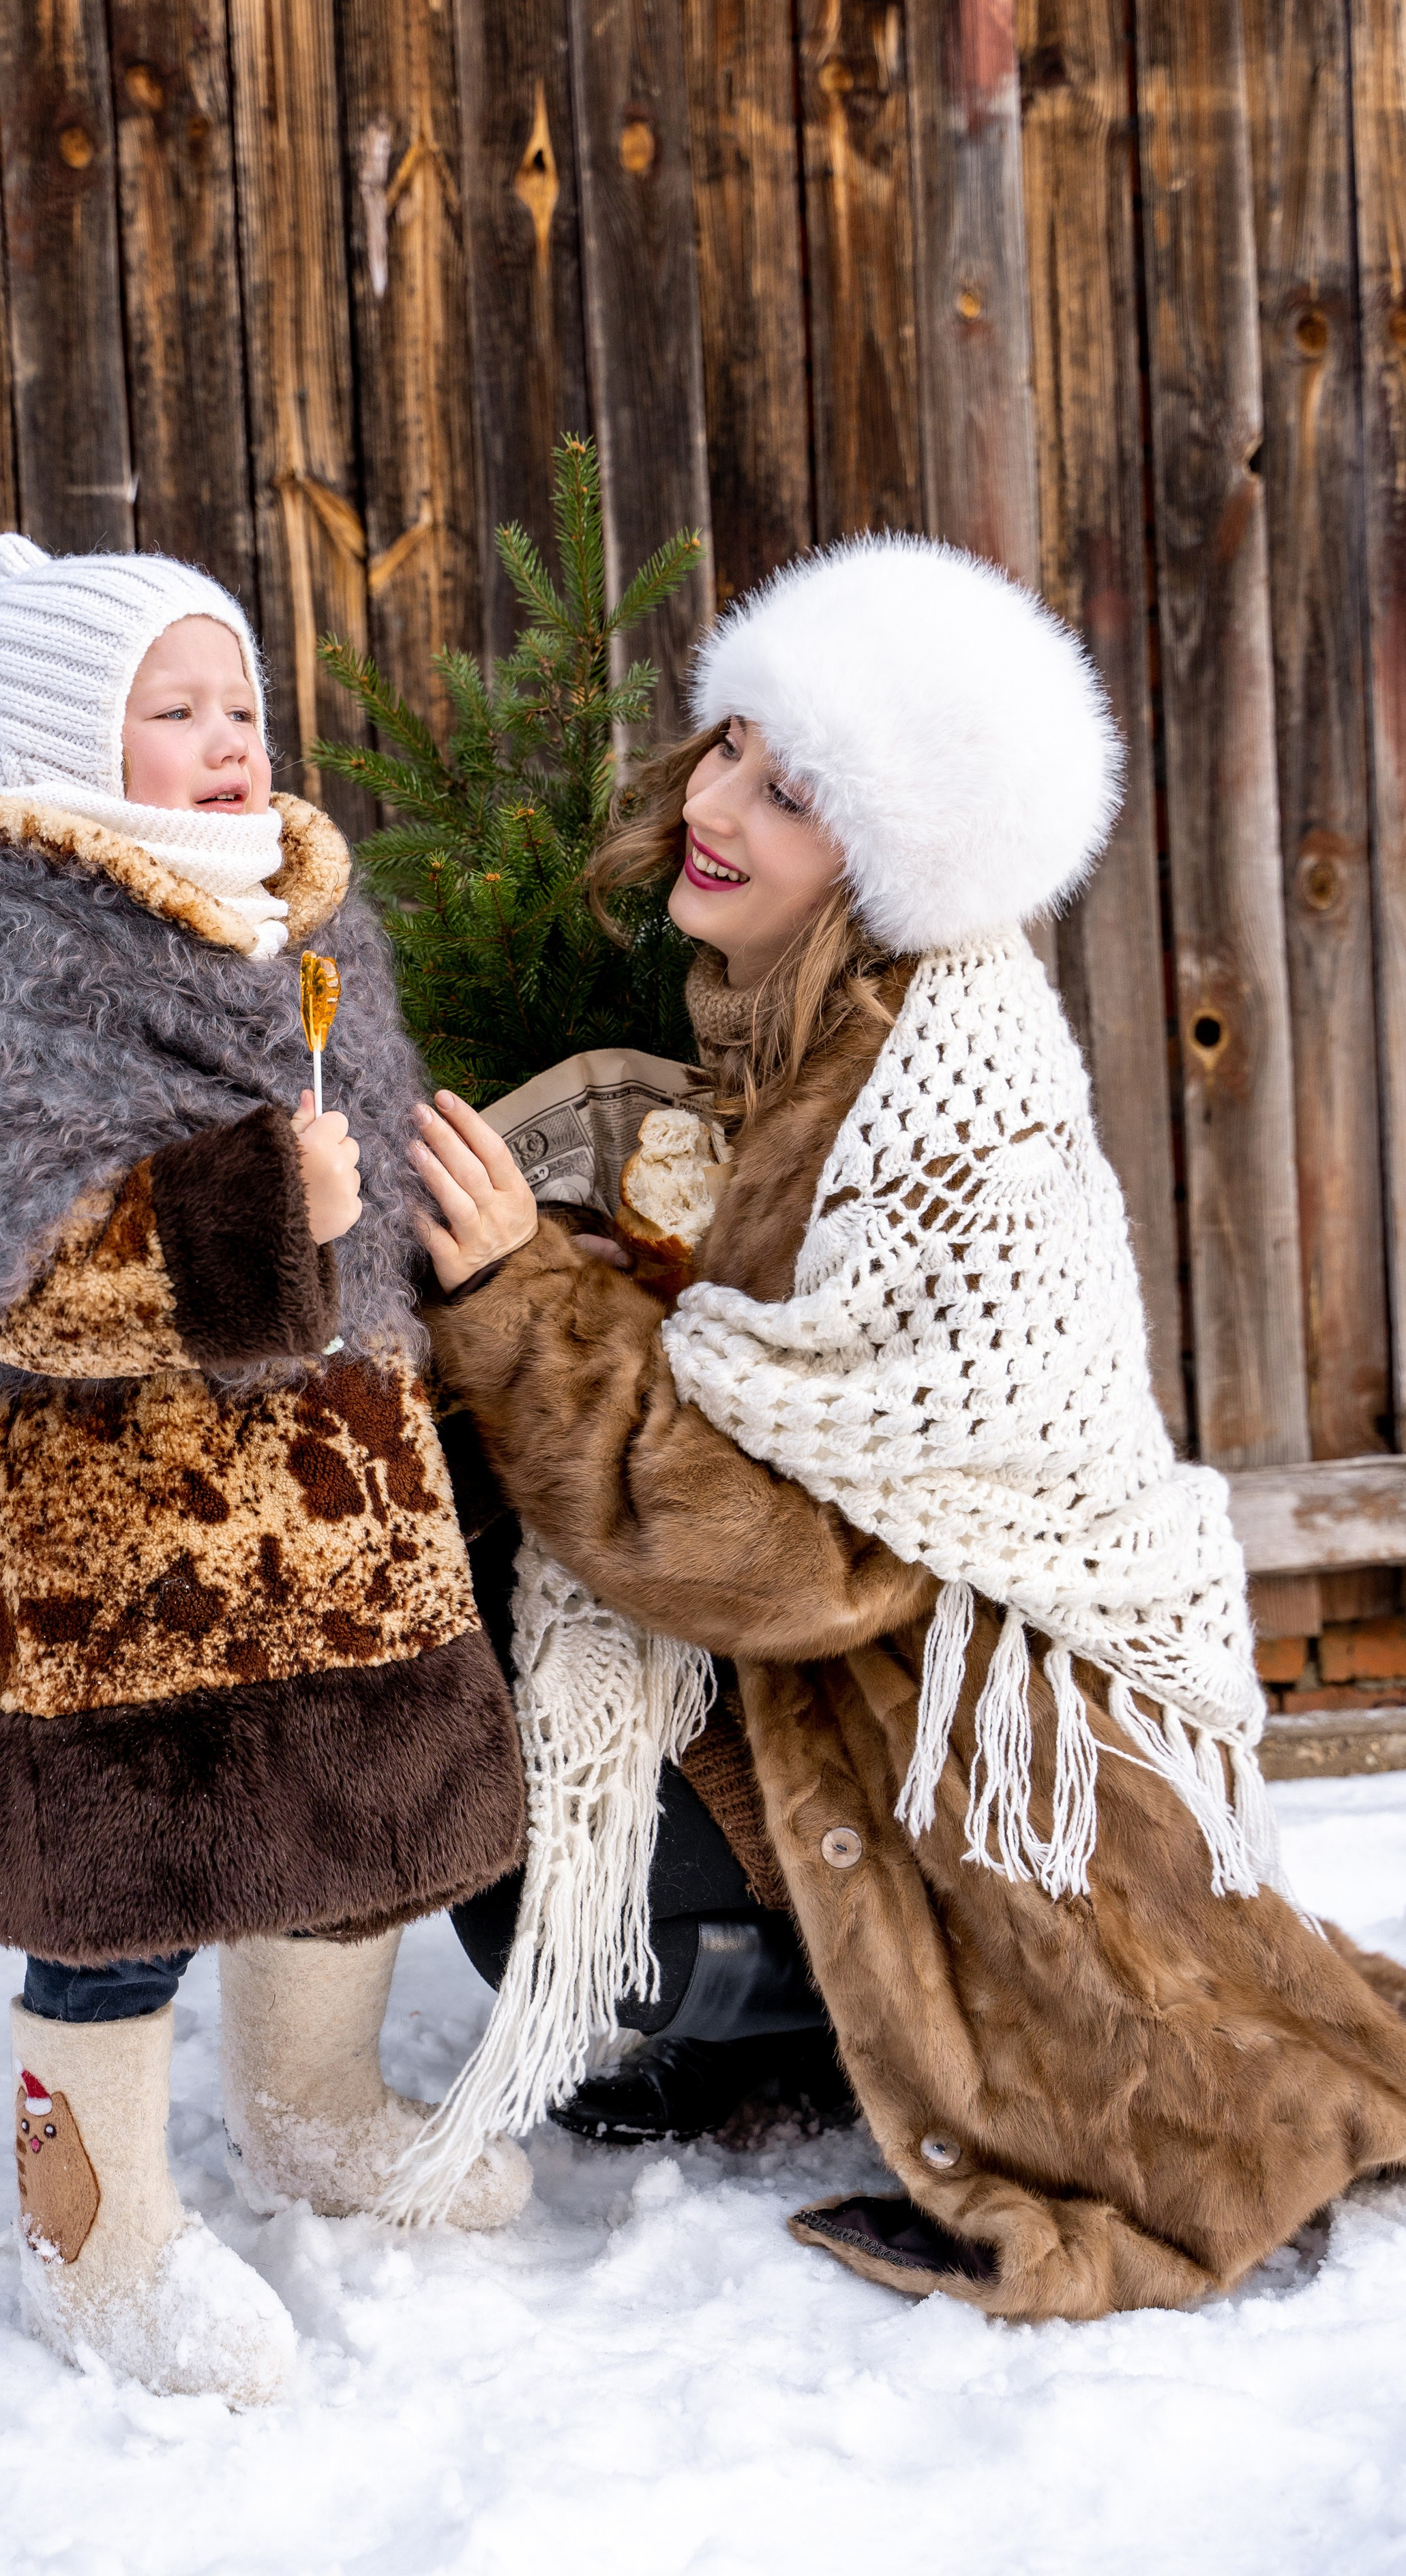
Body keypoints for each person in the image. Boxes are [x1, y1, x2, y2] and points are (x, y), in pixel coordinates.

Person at [399, 533, 1406, 2320]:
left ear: (889, 854)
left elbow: (795, 1556)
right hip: (909, 1699)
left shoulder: (938, 1100)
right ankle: (772, 2014)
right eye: (733, 749)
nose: (719, 803)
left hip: (982, 1746)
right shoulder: (801, 1023)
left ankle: (796, 2002)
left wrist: (520, 1303)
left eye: (794, 793)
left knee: (551, 1875)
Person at [0, 537, 528, 2408]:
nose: (229, 742)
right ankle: (94, 2241)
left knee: (354, 1825)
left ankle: (316, 2109)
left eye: (243, 705)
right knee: (116, 1900)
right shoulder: (11, 951)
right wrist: (244, 1214)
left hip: (334, 1499)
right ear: (67, 741)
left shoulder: (306, 916)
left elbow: (359, 1182)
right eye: (176, 711)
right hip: (116, 1542)